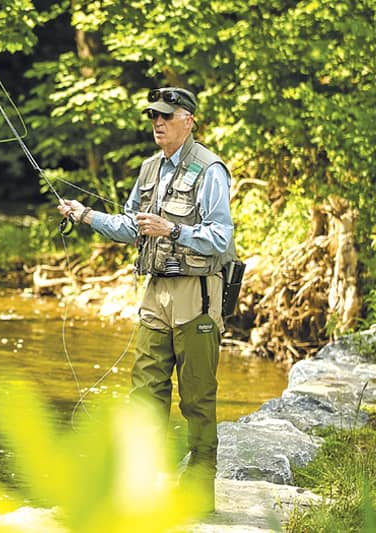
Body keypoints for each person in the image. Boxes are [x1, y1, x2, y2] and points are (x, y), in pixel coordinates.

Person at [58, 87, 236, 513]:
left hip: (198, 297)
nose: (157, 123)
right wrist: (85, 215)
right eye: (153, 116)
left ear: (188, 120)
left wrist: (172, 231)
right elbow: (128, 226)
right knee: (144, 397)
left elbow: (221, 236)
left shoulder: (210, 170)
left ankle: (198, 495)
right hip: (155, 294)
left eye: (166, 116)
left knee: (196, 400)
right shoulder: (149, 168)